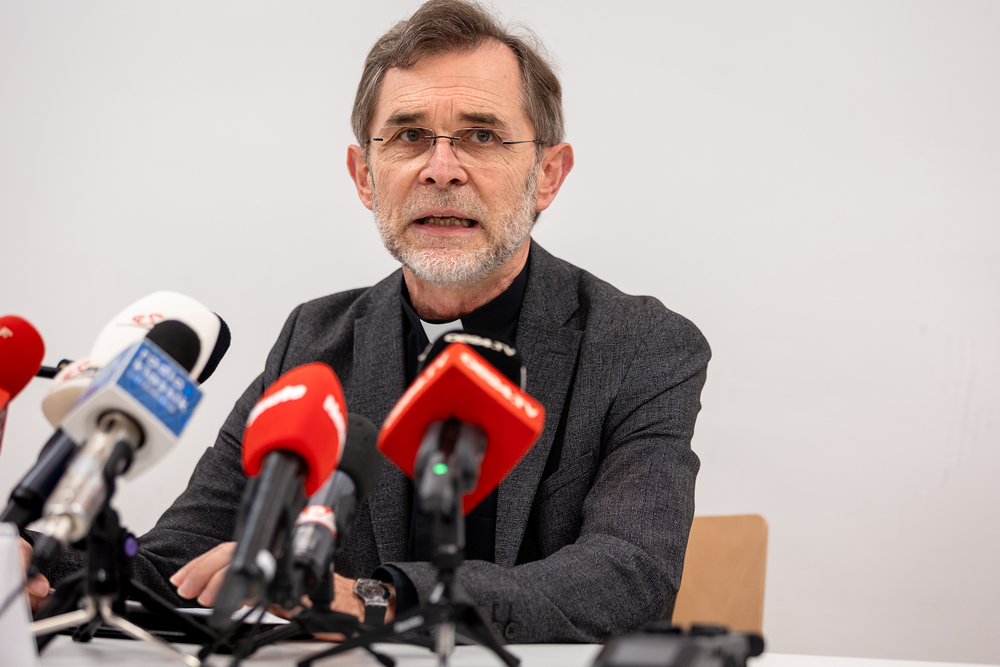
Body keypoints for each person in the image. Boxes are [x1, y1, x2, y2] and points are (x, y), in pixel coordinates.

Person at [28, 0, 710, 643]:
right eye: (410, 136)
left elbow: (630, 575)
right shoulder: (312, 341)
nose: (441, 170)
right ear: (364, 176)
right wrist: (41, 565)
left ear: (548, 175)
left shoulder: (643, 345)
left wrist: (382, 598)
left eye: (481, 135)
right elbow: (182, 555)